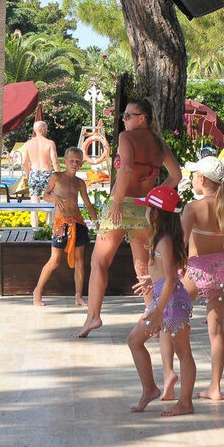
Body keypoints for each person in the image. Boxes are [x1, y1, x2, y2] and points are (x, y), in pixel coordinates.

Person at [77, 99, 181, 338]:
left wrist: (116, 201)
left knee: (99, 262)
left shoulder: (127, 138)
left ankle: (93, 316)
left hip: (121, 204)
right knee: (142, 266)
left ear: (142, 118)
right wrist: (153, 197)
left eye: (127, 116)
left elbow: (125, 169)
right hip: (144, 207)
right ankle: (153, 316)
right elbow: (176, 175)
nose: (123, 120)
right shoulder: (159, 143)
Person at [172, 156, 224, 400]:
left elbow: (182, 244)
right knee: (217, 331)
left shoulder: (193, 208)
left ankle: (170, 374)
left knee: (174, 319)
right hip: (221, 270)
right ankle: (215, 386)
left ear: (202, 179)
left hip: (196, 269)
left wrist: (174, 270)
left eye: (194, 175)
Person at [126, 185, 195, 416]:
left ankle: (185, 402)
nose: (145, 212)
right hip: (163, 298)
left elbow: (171, 278)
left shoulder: (164, 241)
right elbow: (165, 273)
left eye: (148, 208)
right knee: (134, 340)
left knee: (183, 353)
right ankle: (150, 389)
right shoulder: (160, 239)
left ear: (156, 213)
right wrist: (151, 280)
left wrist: (158, 310)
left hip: (171, 303)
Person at [32, 147, 99, 307]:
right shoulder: (57, 177)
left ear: (81, 163)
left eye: (78, 161)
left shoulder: (79, 183)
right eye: (72, 161)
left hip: (78, 222)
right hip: (61, 224)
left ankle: (78, 296)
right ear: (65, 161)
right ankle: (37, 291)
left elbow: (88, 205)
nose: (74, 164)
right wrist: (54, 197)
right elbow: (45, 195)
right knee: (54, 261)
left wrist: (97, 223)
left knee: (80, 261)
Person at [21, 121, 59, 228]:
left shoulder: (28, 144)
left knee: (34, 204)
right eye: (46, 128)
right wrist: (59, 176)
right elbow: (55, 162)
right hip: (47, 174)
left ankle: (35, 230)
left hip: (34, 173)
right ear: (43, 130)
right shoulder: (50, 143)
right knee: (50, 203)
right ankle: (48, 229)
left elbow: (24, 163)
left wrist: (28, 174)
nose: (47, 130)